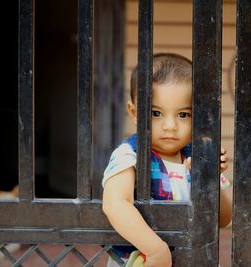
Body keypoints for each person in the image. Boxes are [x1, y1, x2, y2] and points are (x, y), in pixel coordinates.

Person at [102, 53, 232, 267]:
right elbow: (115, 203)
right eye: (156, 113)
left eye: (183, 115)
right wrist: (155, 250)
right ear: (134, 112)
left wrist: (210, 180)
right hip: (144, 261)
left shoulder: (198, 156)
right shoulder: (129, 155)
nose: (170, 126)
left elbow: (224, 219)